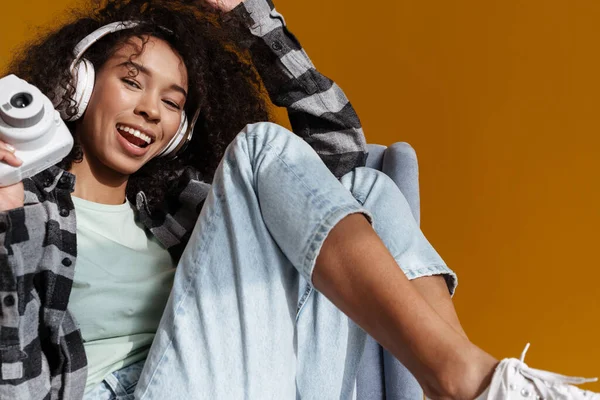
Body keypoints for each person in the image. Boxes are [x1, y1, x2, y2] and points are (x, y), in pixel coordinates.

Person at [0, 0, 597, 399]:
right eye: (131, 80)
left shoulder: (182, 211)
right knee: (264, 146)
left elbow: (342, 152)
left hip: (239, 376)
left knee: (369, 183)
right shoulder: (28, 208)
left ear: (181, 128)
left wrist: (250, 18)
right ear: (78, 84)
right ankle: (467, 379)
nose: (151, 109)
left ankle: (463, 378)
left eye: (173, 101)